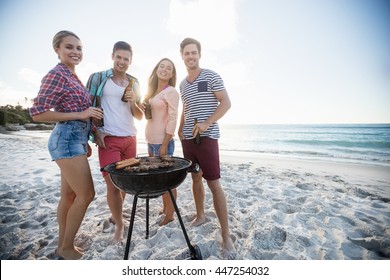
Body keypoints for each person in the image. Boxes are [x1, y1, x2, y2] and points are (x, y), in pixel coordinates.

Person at [29, 30, 103, 260]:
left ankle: (63, 243)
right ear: (57, 50)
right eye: (69, 47)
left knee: (69, 197)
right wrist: (83, 114)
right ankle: (66, 248)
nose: (75, 52)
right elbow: (38, 114)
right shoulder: (57, 74)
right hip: (66, 140)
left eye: (79, 48)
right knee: (87, 194)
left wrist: (90, 135)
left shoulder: (72, 76)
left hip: (75, 141)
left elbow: (77, 113)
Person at [178, 37, 235, 256]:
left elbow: (226, 103)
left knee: (214, 184)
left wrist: (207, 122)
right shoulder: (183, 84)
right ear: (182, 55)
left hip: (208, 138)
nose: (190, 56)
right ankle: (200, 215)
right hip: (188, 140)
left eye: (194, 53)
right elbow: (186, 107)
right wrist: (180, 130)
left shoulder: (210, 76)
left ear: (199, 55)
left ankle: (226, 234)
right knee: (194, 178)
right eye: (187, 53)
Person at [86, 41, 143, 242]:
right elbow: (87, 107)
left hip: (130, 138)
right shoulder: (98, 78)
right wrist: (94, 132)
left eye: (126, 59)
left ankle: (115, 215)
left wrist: (133, 101)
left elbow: (139, 115)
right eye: (118, 57)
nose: (122, 61)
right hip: (108, 138)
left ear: (131, 61)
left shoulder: (134, 82)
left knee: (125, 184)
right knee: (111, 185)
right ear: (112, 56)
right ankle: (119, 225)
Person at [142, 58, 180, 226]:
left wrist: (165, 143)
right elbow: (153, 117)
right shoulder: (151, 91)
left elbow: (172, 118)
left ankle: (170, 215)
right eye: (162, 66)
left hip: (161, 142)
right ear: (156, 69)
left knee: (168, 181)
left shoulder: (171, 91)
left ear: (172, 74)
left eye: (169, 68)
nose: (164, 69)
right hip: (151, 141)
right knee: (160, 179)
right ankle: (166, 208)